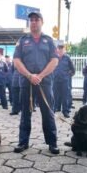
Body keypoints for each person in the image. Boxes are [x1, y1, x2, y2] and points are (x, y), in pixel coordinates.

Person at [13, 11, 60, 154]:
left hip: (44, 82)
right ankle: (23, 142)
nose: (33, 22)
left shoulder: (49, 40)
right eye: (31, 20)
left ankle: (52, 143)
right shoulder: (22, 41)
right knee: (25, 113)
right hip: (26, 82)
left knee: (48, 112)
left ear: (42, 22)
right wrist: (29, 75)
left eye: (36, 19)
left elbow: (54, 60)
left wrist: (40, 76)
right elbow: (16, 61)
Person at [53, 41, 75, 118]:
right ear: (57, 49)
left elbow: (73, 69)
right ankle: (54, 109)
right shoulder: (54, 57)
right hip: (55, 80)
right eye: (59, 48)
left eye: (62, 48)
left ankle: (65, 111)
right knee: (55, 95)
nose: (61, 50)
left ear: (64, 50)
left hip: (64, 81)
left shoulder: (67, 58)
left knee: (65, 96)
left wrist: (67, 76)